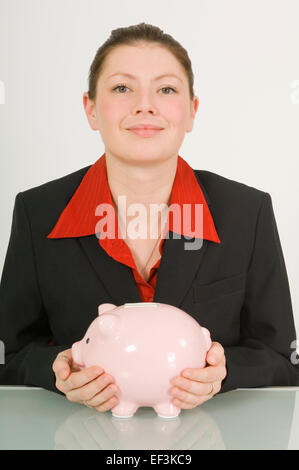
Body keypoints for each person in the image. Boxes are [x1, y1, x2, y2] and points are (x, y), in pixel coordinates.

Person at [0, 23, 298, 414]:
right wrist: (54, 370)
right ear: (91, 108)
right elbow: (9, 355)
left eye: (167, 89)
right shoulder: (38, 211)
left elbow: (283, 360)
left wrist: (224, 373)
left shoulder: (247, 212)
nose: (145, 105)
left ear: (191, 111)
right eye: (122, 88)